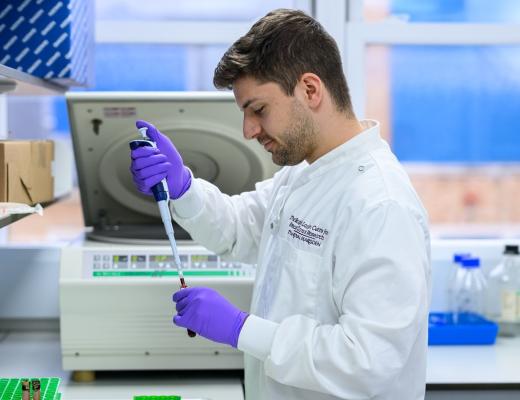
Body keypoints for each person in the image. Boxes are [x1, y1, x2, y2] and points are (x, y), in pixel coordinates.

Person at [129, 8, 431, 400]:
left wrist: (241, 329)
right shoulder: (304, 174)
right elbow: (241, 229)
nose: (248, 130)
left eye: (259, 110)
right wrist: (182, 187)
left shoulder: (380, 204)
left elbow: (369, 361)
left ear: (310, 89)